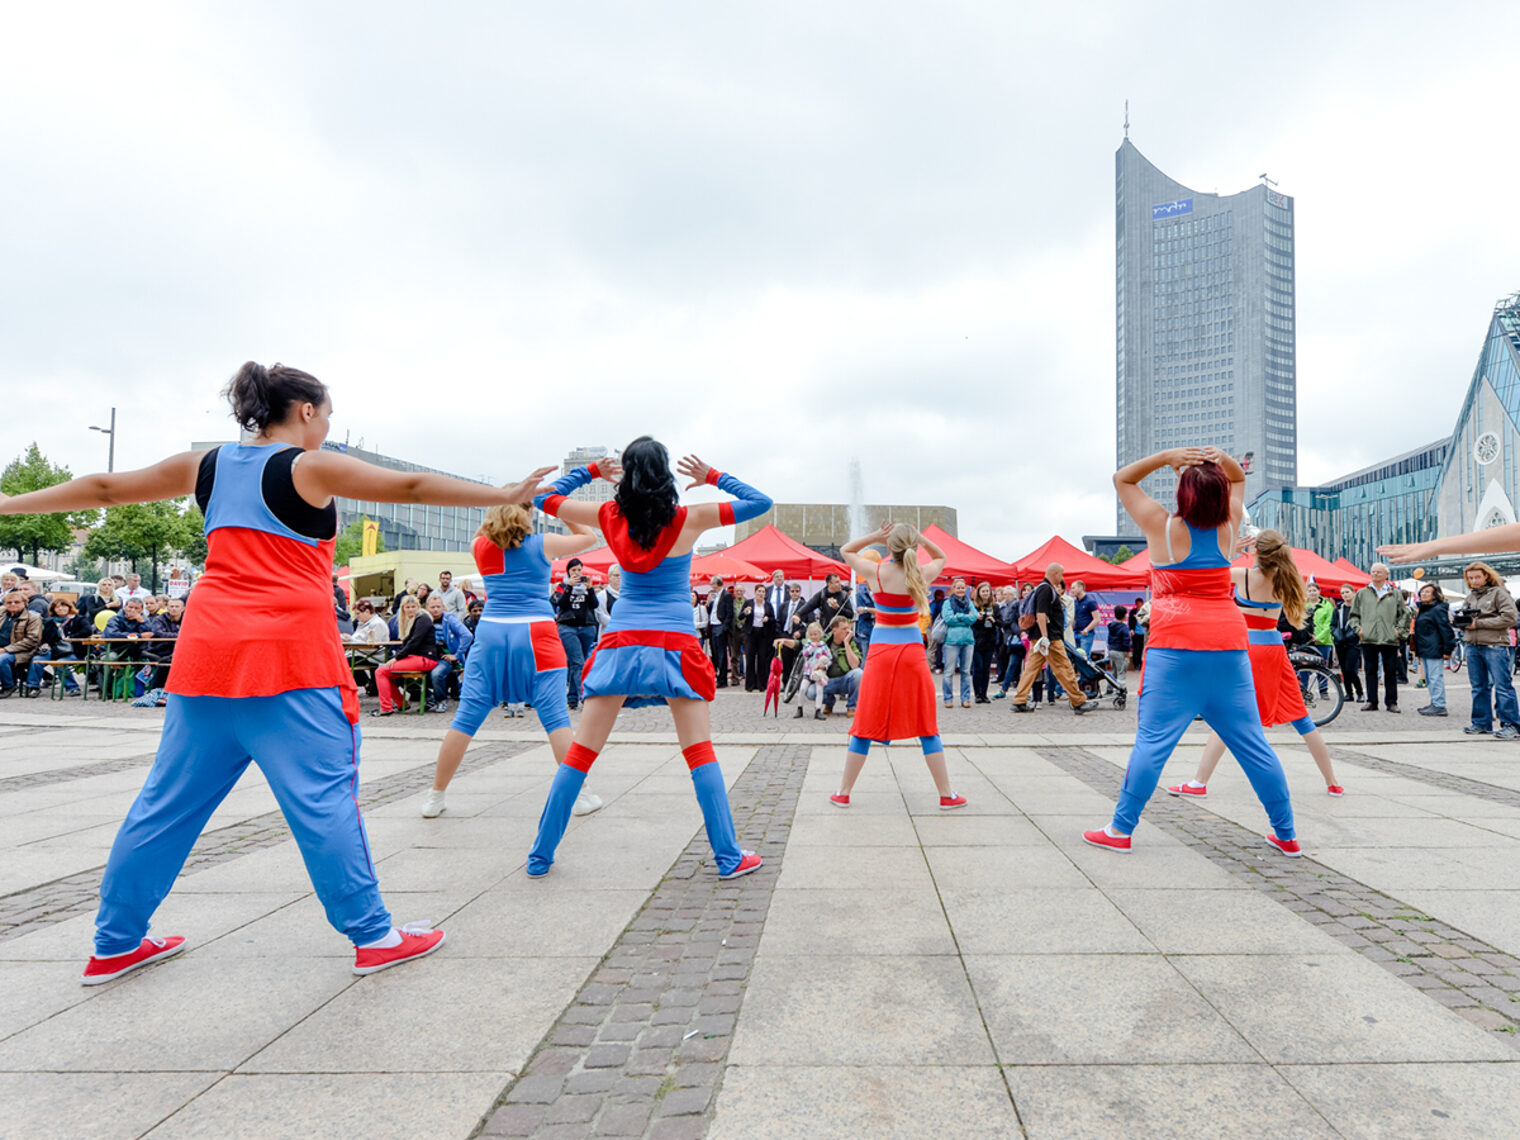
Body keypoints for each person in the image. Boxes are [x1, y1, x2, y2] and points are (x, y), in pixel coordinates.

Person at [0, 360, 554, 983]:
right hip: (291, 661)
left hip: (206, 658)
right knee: (323, 802)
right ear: (307, 411)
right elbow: (412, 488)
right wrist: (506, 495)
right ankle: (373, 936)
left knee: (165, 805)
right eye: (328, 414)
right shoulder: (307, 466)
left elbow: (103, 488)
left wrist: (6, 504)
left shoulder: (204, 465)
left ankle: (115, 942)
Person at [526, 439, 771, 880]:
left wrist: (591, 474)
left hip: (620, 643)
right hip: (676, 642)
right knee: (699, 753)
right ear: (666, 475)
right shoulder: (690, 518)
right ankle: (729, 857)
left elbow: (543, 498)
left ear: (629, 475)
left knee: (580, 754)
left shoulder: (607, 516)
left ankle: (540, 855)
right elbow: (760, 502)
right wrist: (713, 476)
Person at [1084, 447, 1298, 856]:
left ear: (1183, 492)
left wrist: (1167, 457)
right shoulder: (1230, 527)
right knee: (1253, 744)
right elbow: (1238, 480)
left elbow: (1122, 479)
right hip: (1229, 645)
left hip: (1175, 646)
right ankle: (1286, 834)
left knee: (1153, 742)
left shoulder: (1161, 526)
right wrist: (1221, 460)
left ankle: (1121, 829)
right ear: (1219, 494)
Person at [423, 501, 604, 819]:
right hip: (537, 634)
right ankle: (582, 794)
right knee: (556, 718)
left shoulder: (480, 546)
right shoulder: (542, 543)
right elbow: (588, 536)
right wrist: (557, 506)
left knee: (465, 719)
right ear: (528, 514)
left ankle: (435, 796)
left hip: (492, 633)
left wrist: (500, 502)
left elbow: (484, 531)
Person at [1165, 529, 1344, 800]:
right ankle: (1332, 782)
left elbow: (1198, 575)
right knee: (1302, 718)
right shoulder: (1289, 579)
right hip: (1274, 648)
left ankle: (1199, 782)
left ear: (1256, 551)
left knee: (1226, 717)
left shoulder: (1244, 575)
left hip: (1246, 648)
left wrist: (1229, 552)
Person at [830, 522, 965, 809]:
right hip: (912, 653)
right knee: (927, 725)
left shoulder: (876, 571)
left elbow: (846, 550)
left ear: (889, 547)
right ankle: (946, 794)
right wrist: (922, 539)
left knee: (865, 720)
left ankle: (843, 792)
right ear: (914, 547)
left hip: (881, 652)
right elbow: (941, 557)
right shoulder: (921, 573)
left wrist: (876, 537)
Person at [1009, 565, 1089, 715]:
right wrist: (1045, 636)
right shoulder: (1046, 589)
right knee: (1064, 668)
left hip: (1040, 638)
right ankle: (1079, 701)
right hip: (1049, 638)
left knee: (1031, 669)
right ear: (1056, 573)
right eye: (1061, 575)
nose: (1062, 578)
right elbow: (1041, 614)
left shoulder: (1042, 588)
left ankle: (1019, 700)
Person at [1349, 563, 1409, 713]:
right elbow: (1354, 615)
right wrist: (1359, 630)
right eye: (1373, 571)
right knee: (1370, 671)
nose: (1375, 574)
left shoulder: (1394, 593)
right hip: (1368, 638)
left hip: (1389, 638)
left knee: (1390, 671)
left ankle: (1391, 702)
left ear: (1386, 575)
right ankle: (1371, 701)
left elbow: (1404, 615)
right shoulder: (1362, 593)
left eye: (1379, 572)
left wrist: (1398, 632)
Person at [374, 595, 438, 715]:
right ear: (403, 609)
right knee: (384, 673)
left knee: (380, 672)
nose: (410, 609)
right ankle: (401, 703)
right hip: (419, 657)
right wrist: (396, 658)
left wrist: (396, 658)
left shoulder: (423, 618)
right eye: (407, 607)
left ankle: (386, 707)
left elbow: (414, 642)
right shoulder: (416, 619)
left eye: (413, 607)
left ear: (418, 607)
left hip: (426, 658)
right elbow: (408, 643)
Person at [553, 558, 601, 709]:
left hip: (587, 626)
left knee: (580, 663)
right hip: (568, 628)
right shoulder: (562, 586)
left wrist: (590, 589)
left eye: (579, 570)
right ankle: (584, 695)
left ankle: (572, 697)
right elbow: (560, 604)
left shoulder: (586, 584)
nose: (577, 573)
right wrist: (569, 588)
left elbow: (594, 605)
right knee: (578, 662)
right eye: (573, 570)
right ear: (568, 572)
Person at [1411, 582, 1456, 717]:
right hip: (1426, 648)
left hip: (1434, 648)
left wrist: (1448, 650)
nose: (1423, 594)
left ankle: (1439, 705)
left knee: (1435, 677)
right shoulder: (1425, 609)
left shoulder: (1437, 609)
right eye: (1422, 592)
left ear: (1435, 595)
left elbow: (1446, 630)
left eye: (1427, 592)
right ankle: (1435, 702)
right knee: (1430, 678)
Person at [422, 594, 473, 711]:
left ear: (443, 607)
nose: (435, 609)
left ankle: (441, 700)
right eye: (432, 607)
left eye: (438, 607)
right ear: (426, 608)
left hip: (445, 658)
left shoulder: (450, 619)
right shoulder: (423, 619)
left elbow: (467, 635)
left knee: (436, 674)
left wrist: (457, 655)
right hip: (426, 656)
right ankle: (430, 697)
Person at [27, 597, 85, 696]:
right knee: (36, 660)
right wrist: (45, 643)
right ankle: (33, 687)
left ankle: (72, 687)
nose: (61, 609)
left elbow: (87, 631)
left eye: (64, 606)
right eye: (57, 607)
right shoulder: (50, 622)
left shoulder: (79, 619)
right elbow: (45, 637)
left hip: (73, 651)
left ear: (69, 607)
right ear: (53, 609)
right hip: (54, 651)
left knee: (60, 663)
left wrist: (70, 637)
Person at [939, 577, 975, 708]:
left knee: (966, 671)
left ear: (966, 589)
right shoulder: (947, 603)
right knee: (949, 672)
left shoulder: (969, 602)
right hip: (951, 641)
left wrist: (958, 616)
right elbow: (948, 619)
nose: (960, 590)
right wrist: (966, 617)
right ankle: (948, 699)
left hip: (968, 641)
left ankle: (965, 699)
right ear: (953, 589)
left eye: (962, 587)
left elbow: (974, 618)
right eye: (958, 587)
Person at [0, 590, 44, 697]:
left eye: (17, 602)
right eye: (9, 602)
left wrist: (6, 649)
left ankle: (9, 686)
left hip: (23, 651)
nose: (13, 604)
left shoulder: (33, 618)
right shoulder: (2, 614)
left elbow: (32, 640)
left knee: (1, 660)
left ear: (24, 603)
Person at [819, 615, 863, 715]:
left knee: (859, 674)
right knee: (811, 691)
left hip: (845, 681)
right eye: (844, 629)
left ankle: (852, 707)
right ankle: (829, 703)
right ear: (834, 630)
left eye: (848, 628)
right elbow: (805, 643)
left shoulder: (853, 641)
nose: (848, 631)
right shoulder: (824, 641)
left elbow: (855, 665)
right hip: (828, 681)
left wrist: (846, 643)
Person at [1330, 585, 1366, 703]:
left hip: (1353, 643)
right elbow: (1333, 625)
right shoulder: (1338, 609)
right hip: (1340, 643)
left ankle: (1360, 693)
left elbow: (1362, 626)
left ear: (1353, 593)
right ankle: (1348, 693)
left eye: (1347, 592)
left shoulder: (1359, 609)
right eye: (1343, 593)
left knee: (1351, 669)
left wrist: (1351, 636)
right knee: (1344, 670)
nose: (1345, 595)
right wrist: (1337, 635)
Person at [969, 581, 1000, 703]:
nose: (985, 593)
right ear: (979, 593)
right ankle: (977, 694)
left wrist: (994, 620)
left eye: (987, 591)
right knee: (978, 668)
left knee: (986, 669)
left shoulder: (995, 606)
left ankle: (984, 694)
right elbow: (969, 622)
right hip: (977, 640)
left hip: (989, 641)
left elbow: (1001, 622)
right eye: (983, 591)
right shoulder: (973, 606)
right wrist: (975, 618)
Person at [741, 585, 772, 692]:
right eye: (759, 591)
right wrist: (745, 612)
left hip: (762, 634)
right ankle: (750, 684)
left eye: (763, 592)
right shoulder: (749, 603)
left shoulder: (767, 604)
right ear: (755, 592)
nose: (761, 593)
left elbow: (773, 618)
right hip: (750, 633)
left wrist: (768, 618)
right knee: (750, 658)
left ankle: (761, 684)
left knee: (762, 659)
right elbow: (740, 616)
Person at [705, 575, 733, 687]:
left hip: (720, 626)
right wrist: (709, 603)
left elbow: (730, 613)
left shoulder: (726, 595)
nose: (711, 586)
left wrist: (725, 627)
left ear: (717, 584)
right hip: (713, 626)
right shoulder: (715, 596)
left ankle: (723, 679)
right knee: (715, 653)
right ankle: (718, 676)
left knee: (721, 654)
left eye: (712, 584)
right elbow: (711, 611)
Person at [853, 559, 878, 664]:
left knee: (875, 657)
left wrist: (867, 609)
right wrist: (871, 610)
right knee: (865, 657)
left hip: (877, 630)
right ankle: (862, 679)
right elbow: (860, 610)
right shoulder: (860, 594)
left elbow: (879, 612)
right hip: (864, 630)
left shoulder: (879, 595)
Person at [1071, 580, 1101, 656]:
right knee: (1076, 657)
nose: (1072, 590)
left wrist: (1086, 629)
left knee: (1084, 657)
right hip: (1076, 633)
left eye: (1073, 588)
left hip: (1086, 635)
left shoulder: (1090, 601)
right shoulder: (1075, 602)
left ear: (1080, 587)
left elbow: (1097, 619)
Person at [1105, 605, 1131, 685]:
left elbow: (1109, 638)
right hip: (1120, 652)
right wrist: (1127, 654)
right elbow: (1126, 641)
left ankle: (1109, 689)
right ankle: (1120, 691)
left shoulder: (1111, 626)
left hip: (1112, 651)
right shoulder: (1124, 628)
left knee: (1114, 672)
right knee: (1121, 672)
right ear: (1124, 616)